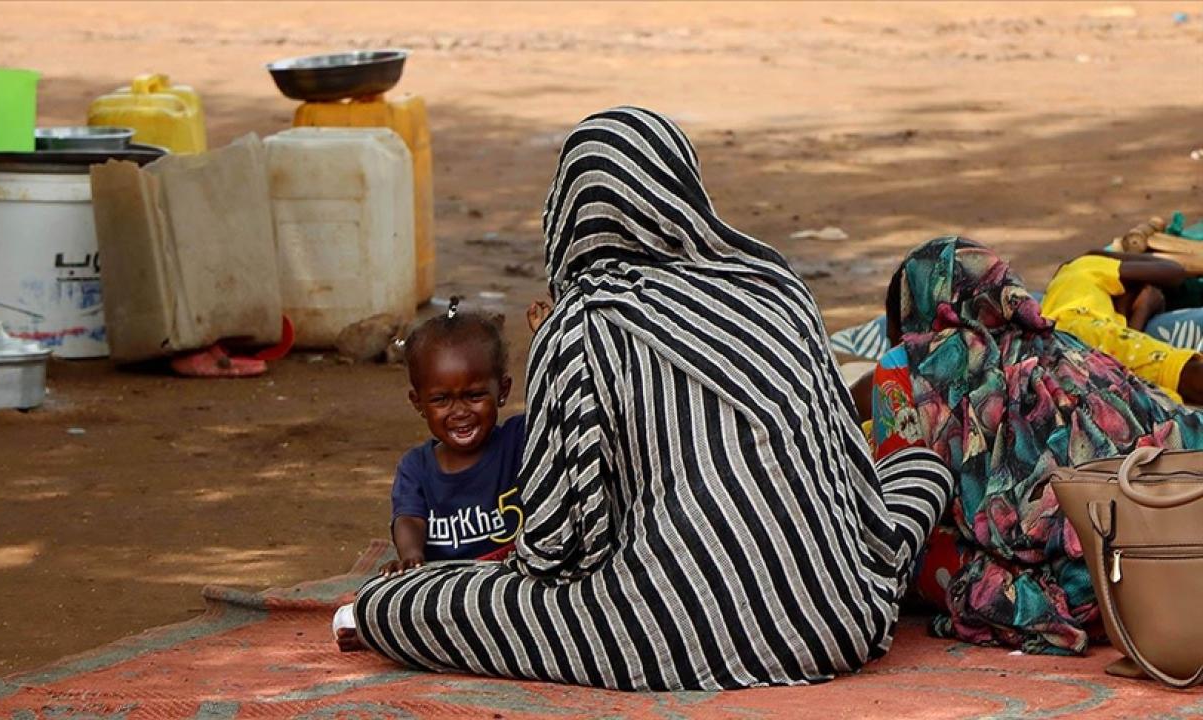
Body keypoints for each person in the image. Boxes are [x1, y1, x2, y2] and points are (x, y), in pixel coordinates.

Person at [347, 106, 954, 691]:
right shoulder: (777, 289)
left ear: (567, 210)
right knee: (918, 467)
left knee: (388, 603)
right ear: (681, 187)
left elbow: (556, 547)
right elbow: (849, 479)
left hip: (663, 632)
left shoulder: (579, 323)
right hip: (839, 621)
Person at [872, 236, 1203, 655]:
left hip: (1050, 574)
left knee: (906, 547)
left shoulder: (904, 367)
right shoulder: (1071, 347)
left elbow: (900, 487)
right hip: (1137, 561)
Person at [335, 299, 530, 652]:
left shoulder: (517, 441)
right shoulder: (415, 466)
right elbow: (408, 518)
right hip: (439, 588)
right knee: (374, 598)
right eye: (441, 400)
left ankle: (397, 635)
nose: (459, 412)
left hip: (507, 582)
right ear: (418, 402)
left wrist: (547, 340)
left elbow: (557, 409)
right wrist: (411, 556)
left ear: (502, 391)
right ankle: (378, 626)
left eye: (474, 396)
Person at [1040, 251, 1203, 404]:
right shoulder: (1081, 267)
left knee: (1156, 399)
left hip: (1065, 351)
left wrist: (1142, 310)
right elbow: (1174, 272)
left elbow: (1123, 363)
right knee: (1184, 373)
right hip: (1080, 330)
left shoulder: (1074, 301)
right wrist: (1105, 254)